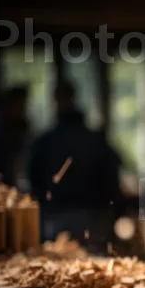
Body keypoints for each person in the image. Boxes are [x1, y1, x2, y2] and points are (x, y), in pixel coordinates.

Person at [27, 81, 122, 254]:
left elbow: (34, 182)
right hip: (83, 217)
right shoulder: (93, 139)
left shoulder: (45, 142)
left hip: (72, 216)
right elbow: (112, 179)